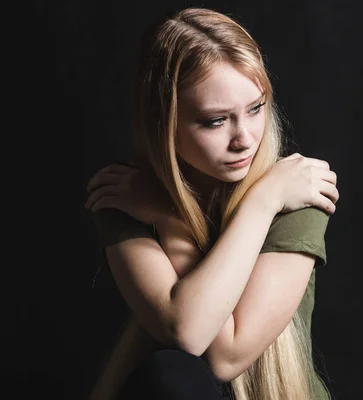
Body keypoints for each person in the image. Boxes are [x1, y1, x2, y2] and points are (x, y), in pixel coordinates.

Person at [84, 7, 339, 400]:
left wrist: (264, 199)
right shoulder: (126, 196)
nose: (245, 139)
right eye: (215, 121)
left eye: (255, 109)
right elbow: (191, 331)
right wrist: (171, 218)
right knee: (172, 374)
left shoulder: (294, 194)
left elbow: (228, 355)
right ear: (164, 121)